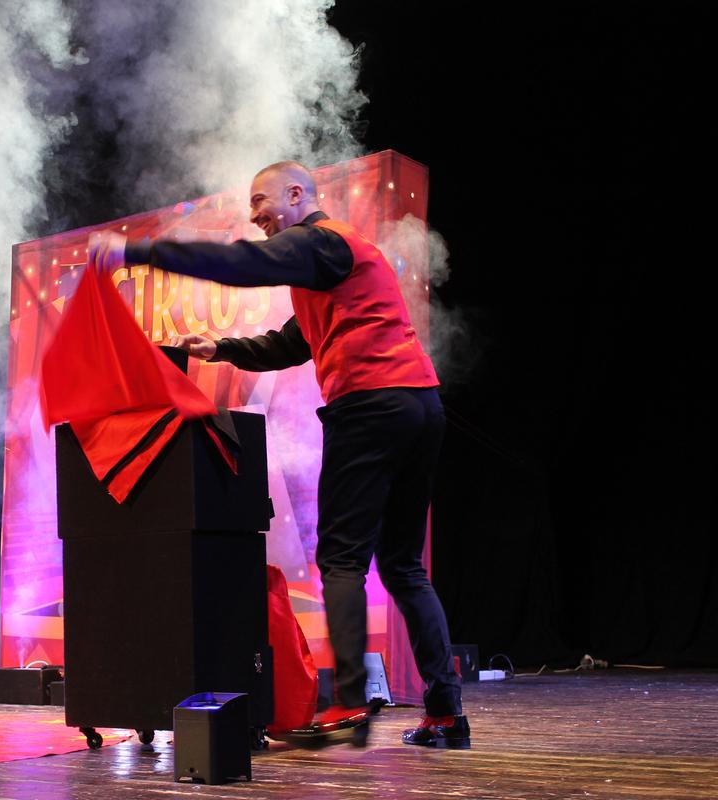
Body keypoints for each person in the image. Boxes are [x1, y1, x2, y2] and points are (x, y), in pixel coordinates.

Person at [87, 161, 469, 749]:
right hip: (419, 405)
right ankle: (445, 714)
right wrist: (220, 347)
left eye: (261, 201)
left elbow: (243, 263)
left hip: (370, 405)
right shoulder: (335, 262)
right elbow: (292, 342)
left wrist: (136, 251)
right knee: (402, 565)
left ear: (296, 195)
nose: (255, 215)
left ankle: (348, 700)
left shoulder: (322, 241)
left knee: (341, 559)